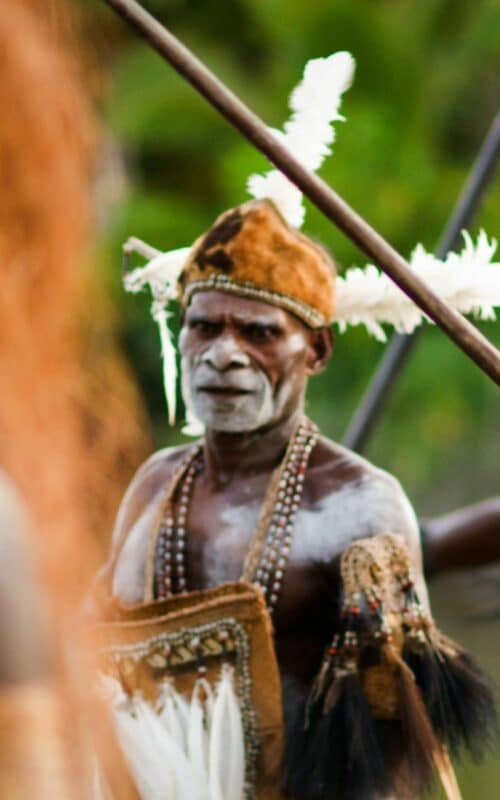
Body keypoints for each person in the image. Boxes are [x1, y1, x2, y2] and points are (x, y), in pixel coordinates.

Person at [94, 197, 498, 800]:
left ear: (316, 351)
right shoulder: (155, 481)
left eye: (258, 333)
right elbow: (86, 639)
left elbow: (385, 741)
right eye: (204, 326)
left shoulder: (362, 504)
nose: (223, 355)